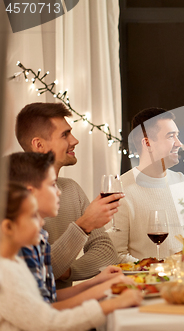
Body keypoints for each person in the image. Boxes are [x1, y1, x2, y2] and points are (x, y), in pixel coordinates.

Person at [0, 182, 142, 331]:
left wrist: (95, 283)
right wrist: (110, 305)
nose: (42, 223)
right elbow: (48, 322)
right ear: (8, 227)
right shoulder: (6, 272)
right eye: (33, 217)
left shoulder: (15, 263)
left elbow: (45, 301)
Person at [8, 151, 136, 310]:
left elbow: (48, 298)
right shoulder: (14, 245)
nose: (59, 192)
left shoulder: (39, 236)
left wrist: (96, 283)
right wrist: (106, 299)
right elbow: (41, 316)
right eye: (52, 184)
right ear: (31, 192)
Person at [15, 102, 120, 288]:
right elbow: (39, 267)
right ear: (39, 145)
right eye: (65, 134)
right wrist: (84, 224)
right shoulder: (13, 198)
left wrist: (69, 272)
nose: (74, 140)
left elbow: (106, 251)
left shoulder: (71, 189)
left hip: (62, 305)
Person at [110, 108, 184, 262]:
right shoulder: (119, 190)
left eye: (177, 136)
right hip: (144, 283)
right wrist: (163, 268)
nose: (179, 143)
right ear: (147, 143)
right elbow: (115, 255)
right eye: (171, 136)